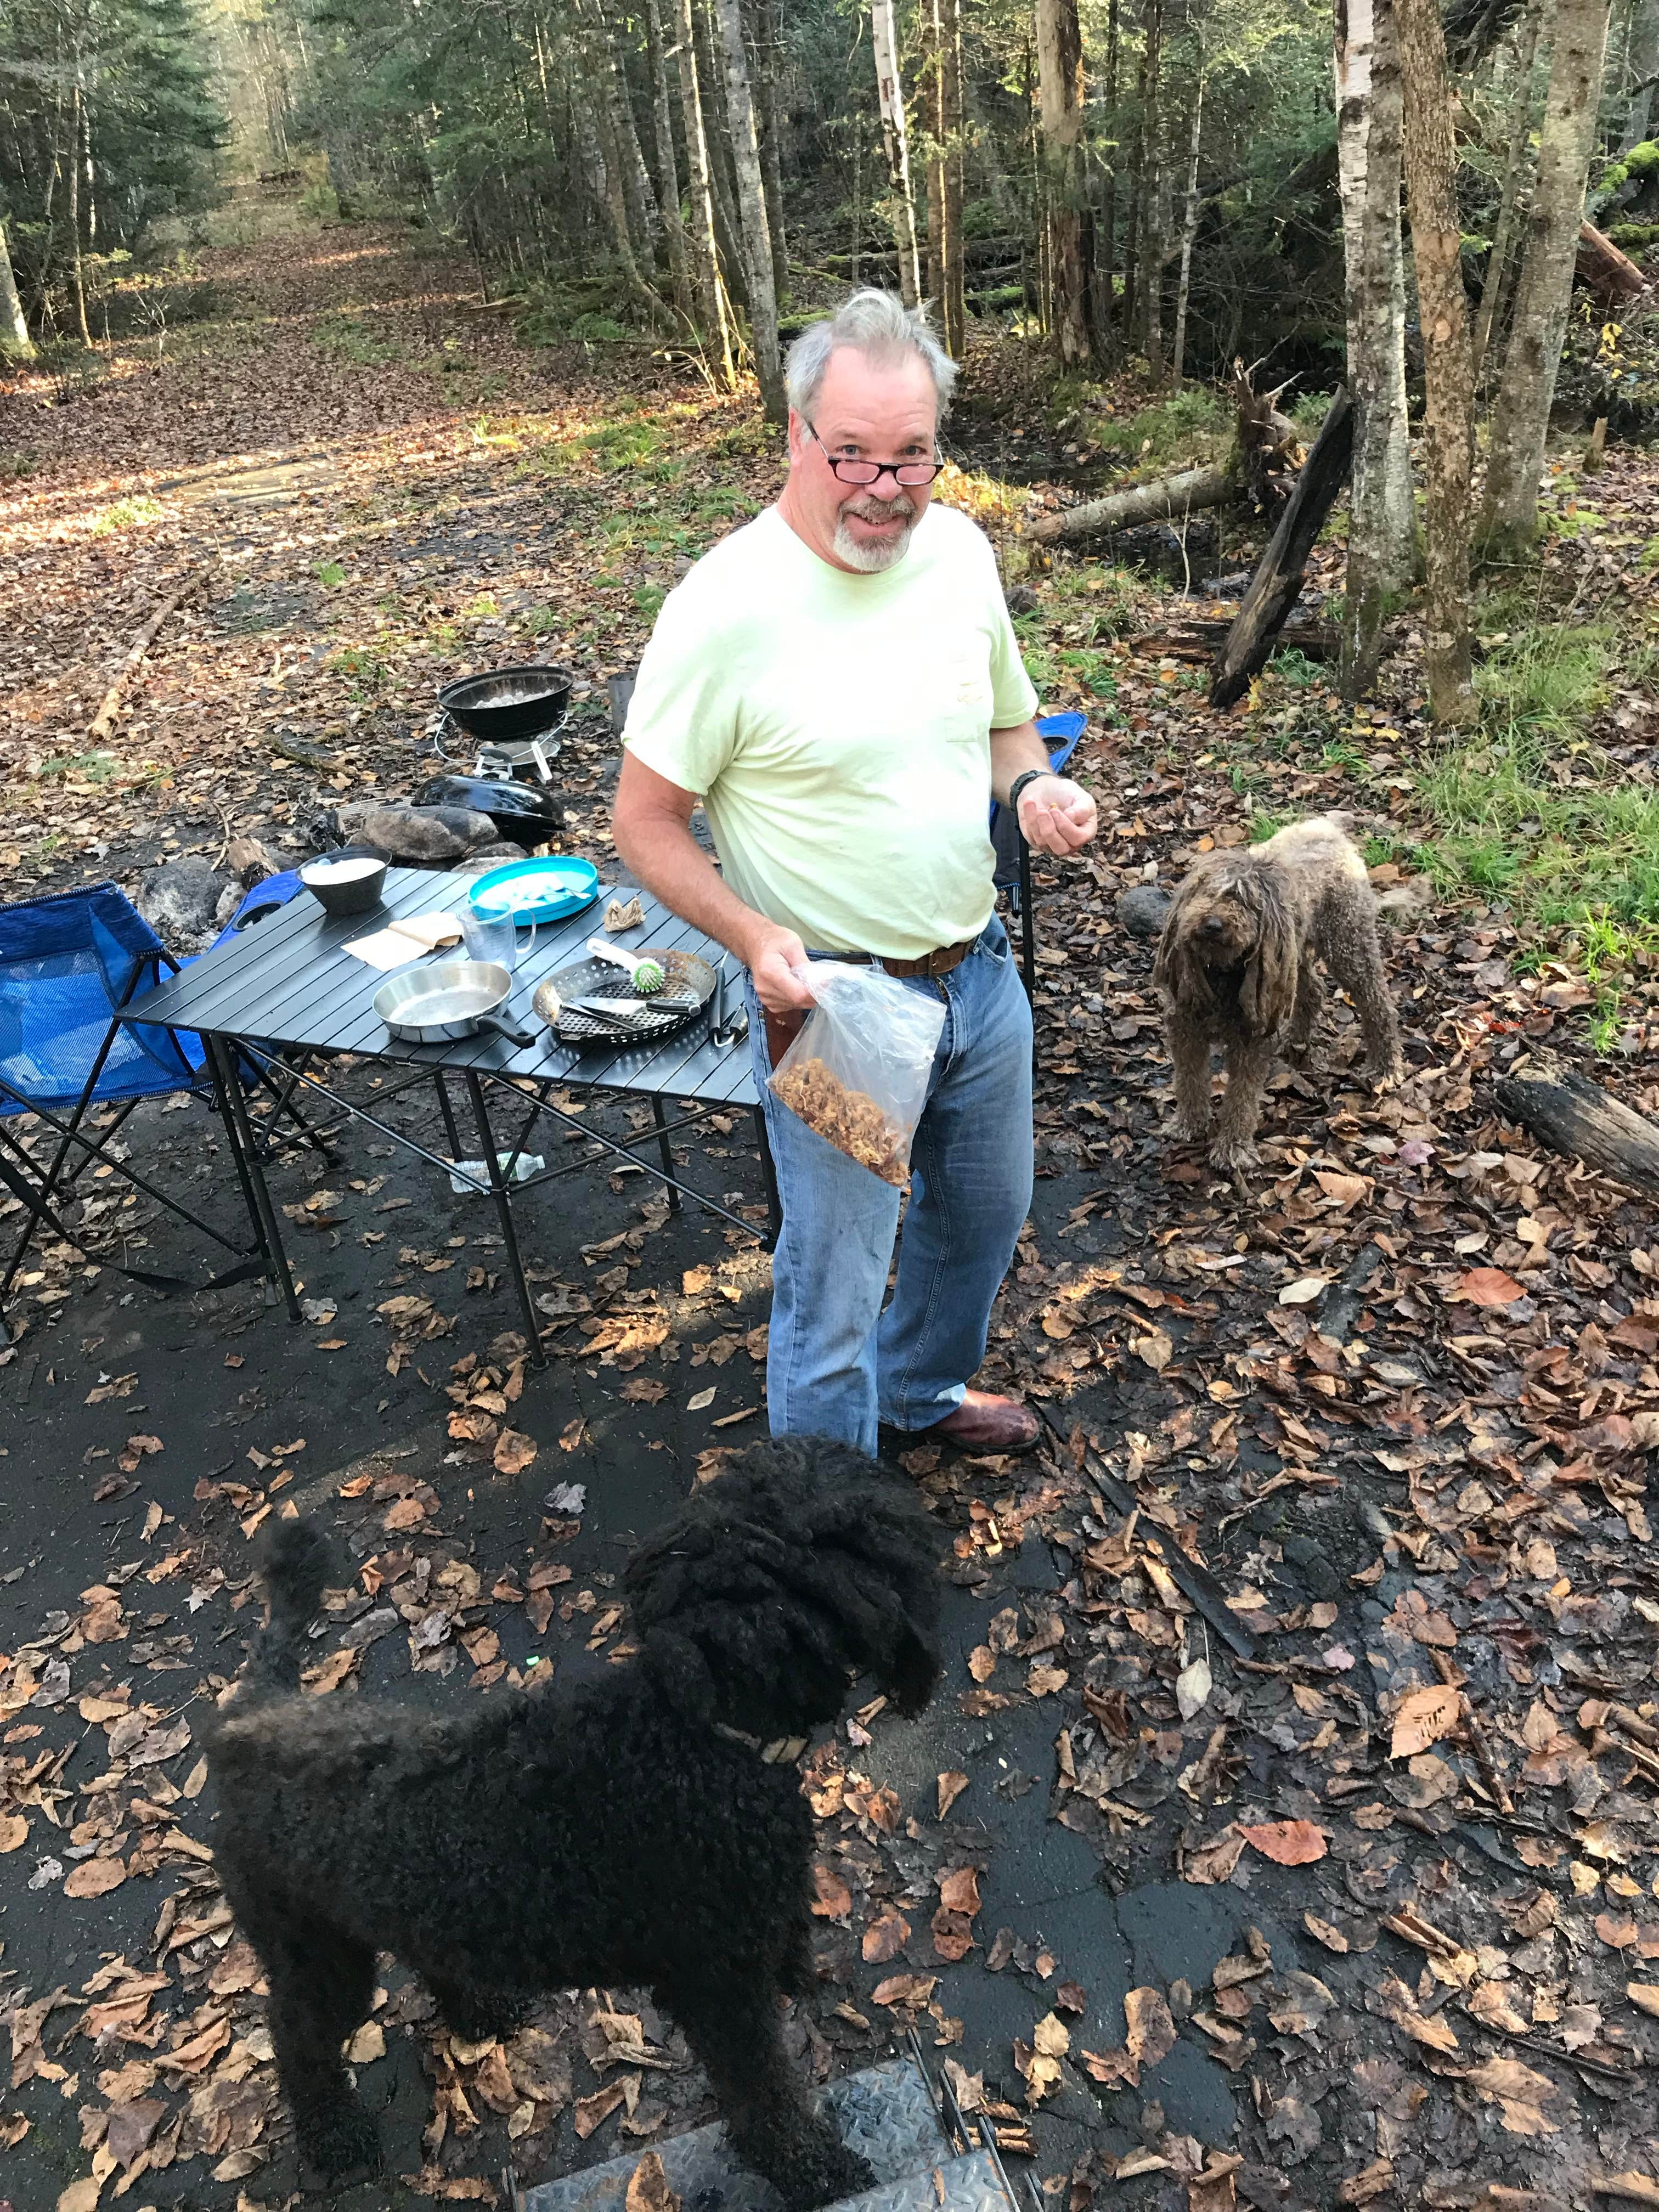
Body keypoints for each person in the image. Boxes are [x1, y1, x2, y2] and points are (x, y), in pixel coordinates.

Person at [613, 289, 1097, 1458]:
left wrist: (1032, 788)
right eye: (854, 456)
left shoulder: (961, 553)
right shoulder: (724, 609)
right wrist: (749, 936)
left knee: (983, 1220)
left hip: (978, 970)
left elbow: (1007, 724)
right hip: (838, 1006)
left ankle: (918, 1395)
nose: (886, 488)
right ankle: (821, 1519)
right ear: (796, 436)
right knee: (835, 1282)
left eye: (912, 456)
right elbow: (645, 821)